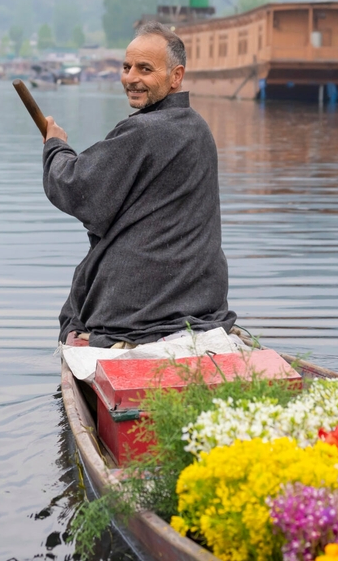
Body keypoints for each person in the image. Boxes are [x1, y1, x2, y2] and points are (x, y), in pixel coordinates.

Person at [41, 21, 236, 348]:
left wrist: (55, 146)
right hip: (201, 302)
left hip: (138, 313)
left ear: (176, 77)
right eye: (127, 67)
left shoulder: (145, 132)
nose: (131, 78)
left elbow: (76, 186)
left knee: (77, 320)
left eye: (145, 69)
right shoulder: (197, 128)